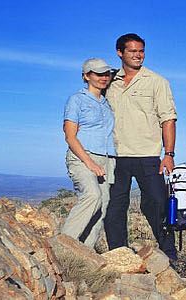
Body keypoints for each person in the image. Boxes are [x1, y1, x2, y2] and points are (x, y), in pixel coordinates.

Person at [102, 33, 181, 259]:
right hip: (115, 155)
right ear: (120, 53)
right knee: (115, 207)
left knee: (157, 204)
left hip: (148, 155)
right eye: (132, 51)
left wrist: (169, 154)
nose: (138, 55)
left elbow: (168, 119)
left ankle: (169, 254)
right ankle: (118, 254)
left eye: (141, 51)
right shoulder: (109, 82)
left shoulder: (157, 82)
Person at [58, 58, 118, 249]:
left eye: (106, 73)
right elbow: (70, 136)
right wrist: (90, 163)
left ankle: (85, 254)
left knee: (102, 207)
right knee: (92, 196)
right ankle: (62, 248)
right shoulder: (77, 100)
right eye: (98, 73)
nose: (104, 77)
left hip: (107, 159)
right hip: (83, 157)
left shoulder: (107, 103)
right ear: (86, 76)